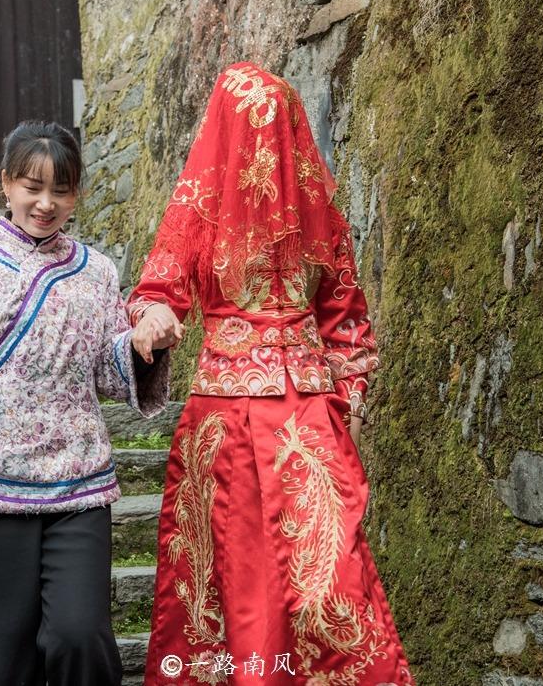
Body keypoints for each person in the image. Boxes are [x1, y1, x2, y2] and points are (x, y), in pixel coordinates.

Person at [128, 63, 415, 685]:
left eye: (277, 127)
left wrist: (350, 403)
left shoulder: (320, 217)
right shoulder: (198, 210)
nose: (266, 144)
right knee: (235, 590)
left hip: (310, 418)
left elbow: (347, 319)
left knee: (330, 586)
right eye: (251, 127)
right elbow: (158, 288)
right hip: (224, 424)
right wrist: (153, 318)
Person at [0, 120, 170, 686]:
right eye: (32, 187)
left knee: (80, 636)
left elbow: (105, 371)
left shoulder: (96, 271)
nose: (46, 204)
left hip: (78, 483)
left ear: (77, 194)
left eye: (60, 191)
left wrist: (143, 345)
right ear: (6, 184)